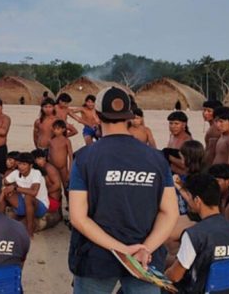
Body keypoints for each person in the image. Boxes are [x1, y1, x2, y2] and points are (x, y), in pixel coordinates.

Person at [68, 87, 178, 294]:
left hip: (96, 258)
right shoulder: (156, 158)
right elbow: (170, 212)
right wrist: (145, 248)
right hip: (144, 258)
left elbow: (78, 218)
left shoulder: (85, 158)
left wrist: (123, 250)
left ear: (97, 115)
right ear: (129, 116)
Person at [165, 173, 229, 292]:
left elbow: (175, 276)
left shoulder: (194, 234)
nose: (187, 200)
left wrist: (162, 276)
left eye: (188, 197)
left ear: (197, 200)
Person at [1, 152, 49, 237]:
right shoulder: (16, 173)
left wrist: (15, 188)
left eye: (24, 164)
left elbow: (34, 192)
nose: (21, 167)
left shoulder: (36, 173)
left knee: (28, 197)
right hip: (23, 205)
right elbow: (3, 182)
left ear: (30, 166)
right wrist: (8, 187)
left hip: (39, 206)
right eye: (19, 164)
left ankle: (29, 230)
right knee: (4, 191)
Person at [32, 148, 63, 227]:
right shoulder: (41, 169)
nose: (37, 161)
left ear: (44, 158)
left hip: (52, 201)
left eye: (39, 158)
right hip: (49, 200)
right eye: (35, 160)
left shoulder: (49, 169)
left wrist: (44, 192)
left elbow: (57, 185)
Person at [48, 119, 73, 194]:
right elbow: (50, 155)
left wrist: (70, 170)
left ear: (63, 129)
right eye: (54, 129)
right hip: (53, 167)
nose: (55, 131)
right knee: (56, 186)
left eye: (58, 129)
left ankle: (69, 203)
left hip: (63, 168)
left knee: (66, 186)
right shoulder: (51, 141)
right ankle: (58, 203)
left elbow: (71, 156)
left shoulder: (66, 141)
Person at [201, 100, 223, 167]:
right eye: (204, 110)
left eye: (209, 111)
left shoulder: (214, 129)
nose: (205, 113)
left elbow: (211, 153)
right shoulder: (214, 127)